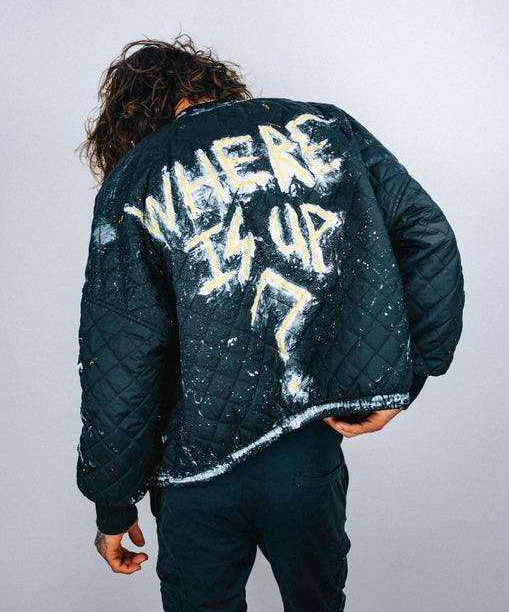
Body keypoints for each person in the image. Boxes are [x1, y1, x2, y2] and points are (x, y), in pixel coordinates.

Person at [76, 34, 465, 611]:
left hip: (193, 468)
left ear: (129, 117)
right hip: (305, 450)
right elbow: (427, 237)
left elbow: (120, 360)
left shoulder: (134, 178)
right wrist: (408, 379)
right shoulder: (325, 129)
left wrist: (113, 504)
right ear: (210, 82)